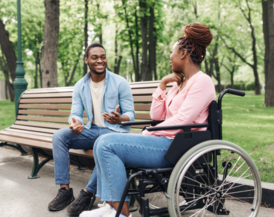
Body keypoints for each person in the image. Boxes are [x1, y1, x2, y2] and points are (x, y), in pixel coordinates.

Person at [79, 23, 216, 217]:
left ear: (184, 54)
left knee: (106, 144)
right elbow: (157, 117)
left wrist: (150, 131)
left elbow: (182, 120)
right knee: (101, 142)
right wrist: (163, 85)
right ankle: (112, 207)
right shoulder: (179, 83)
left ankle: (119, 211)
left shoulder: (202, 81)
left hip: (177, 147)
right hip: (165, 142)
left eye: (173, 52)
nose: (170, 56)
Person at [48, 43, 135, 215]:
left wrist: (120, 118)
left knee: (104, 145)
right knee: (59, 136)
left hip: (114, 132)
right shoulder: (80, 85)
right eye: (95, 57)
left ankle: (87, 193)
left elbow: (131, 114)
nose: (100, 60)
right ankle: (65, 191)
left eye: (103, 57)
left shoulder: (120, 83)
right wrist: (75, 123)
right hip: (92, 129)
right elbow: (76, 113)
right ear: (87, 60)